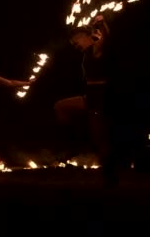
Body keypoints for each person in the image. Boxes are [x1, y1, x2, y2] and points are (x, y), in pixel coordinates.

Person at [61, 14, 119, 187]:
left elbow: (107, 37)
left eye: (75, 39)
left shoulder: (95, 47)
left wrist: (102, 23)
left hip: (100, 96)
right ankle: (76, 141)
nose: (74, 43)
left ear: (86, 36)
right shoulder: (88, 52)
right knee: (60, 107)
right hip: (90, 96)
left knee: (100, 139)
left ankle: (110, 177)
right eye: (72, 42)